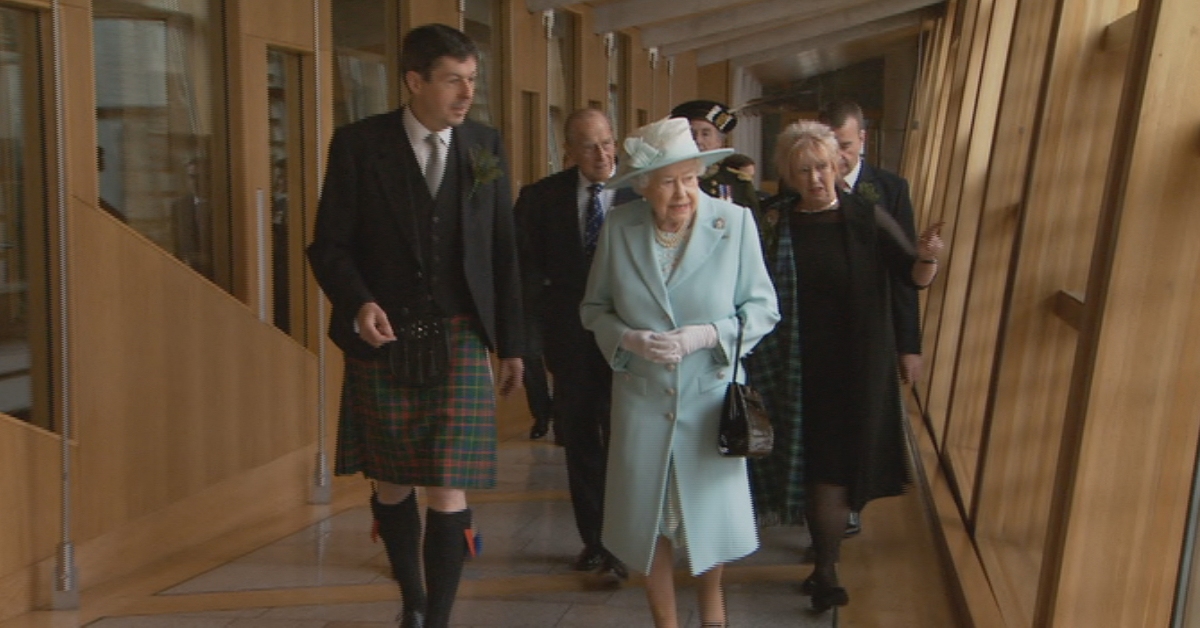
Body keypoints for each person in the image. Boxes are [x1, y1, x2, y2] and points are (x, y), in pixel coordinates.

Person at [306, 23, 524, 628]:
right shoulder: (358, 144)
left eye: (472, 80)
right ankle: (414, 600)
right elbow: (328, 246)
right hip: (385, 337)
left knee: (449, 486)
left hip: (459, 334)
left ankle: (439, 618)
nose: (466, 94)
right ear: (414, 80)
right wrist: (358, 302)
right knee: (394, 483)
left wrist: (513, 346)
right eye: (453, 80)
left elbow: (503, 252)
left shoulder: (485, 144)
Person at [580, 117, 780, 628]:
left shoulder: (733, 225)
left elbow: (762, 310)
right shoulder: (620, 229)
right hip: (642, 399)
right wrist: (627, 339)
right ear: (644, 186)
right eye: (667, 181)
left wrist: (708, 335)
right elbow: (594, 309)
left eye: (689, 178)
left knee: (706, 520)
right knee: (650, 525)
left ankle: (714, 618)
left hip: (707, 398)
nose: (681, 193)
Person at [748, 120, 943, 613]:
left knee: (832, 467)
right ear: (788, 176)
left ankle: (827, 566)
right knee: (811, 466)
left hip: (852, 366)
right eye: (802, 171)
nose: (814, 179)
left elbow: (910, 275)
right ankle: (825, 560)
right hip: (794, 365)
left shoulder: (864, 217)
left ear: (837, 167)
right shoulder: (776, 223)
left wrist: (928, 258)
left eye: (821, 168)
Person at [515, 108, 636, 579]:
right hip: (571, 340)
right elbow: (524, 274)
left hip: (631, 338)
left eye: (608, 142)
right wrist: (526, 341)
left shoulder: (639, 193)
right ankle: (598, 540)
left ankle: (628, 535)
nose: (603, 154)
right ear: (568, 151)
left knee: (627, 440)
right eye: (589, 146)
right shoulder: (540, 199)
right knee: (582, 438)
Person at [818, 99, 923, 537]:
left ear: (863, 139)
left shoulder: (890, 189)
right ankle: (826, 511)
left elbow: (906, 272)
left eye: (845, 144)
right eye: (831, 146)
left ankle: (854, 502)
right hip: (824, 326)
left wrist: (909, 343)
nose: (838, 157)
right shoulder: (808, 187)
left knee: (867, 419)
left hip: (872, 325)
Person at [669, 100, 760, 216]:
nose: (698, 140)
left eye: (705, 134)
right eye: (691, 134)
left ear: (719, 141)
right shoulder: (667, 179)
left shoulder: (736, 182)